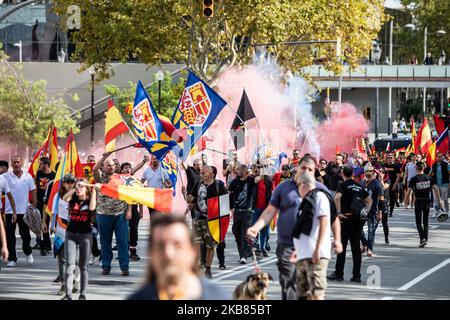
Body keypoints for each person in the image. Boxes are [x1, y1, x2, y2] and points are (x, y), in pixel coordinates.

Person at [247, 156, 342, 300]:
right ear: (297, 167)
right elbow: (270, 211)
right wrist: (256, 227)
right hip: (287, 244)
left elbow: (332, 218)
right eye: (304, 168)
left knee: (312, 290)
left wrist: (337, 239)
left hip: (312, 245)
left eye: (310, 169)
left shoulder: (320, 189)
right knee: (290, 283)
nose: (306, 171)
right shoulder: (283, 187)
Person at [128, 214, 229, 300]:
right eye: (160, 246)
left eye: (177, 245)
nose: (169, 253)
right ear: (151, 253)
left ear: (193, 252)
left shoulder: (218, 297)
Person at [328, 166, 372, 282]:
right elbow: (369, 201)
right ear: (353, 174)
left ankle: (339, 273)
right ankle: (356, 275)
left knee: (342, 245)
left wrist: (338, 212)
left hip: (346, 218)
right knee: (356, 247)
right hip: (358, 219)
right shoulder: (358, 186)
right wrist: (365, 212)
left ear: (343, 174)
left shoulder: (343, 185)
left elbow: (337, 197)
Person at [292, 173, 331, 300]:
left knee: (316, 293)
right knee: (302, 294)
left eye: (298, 185)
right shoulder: (306, 201)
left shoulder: (319, 196)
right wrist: (296, 250)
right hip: (303, 255)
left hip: (314, 254)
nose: (297, 190)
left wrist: (318, 248)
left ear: (303, 184)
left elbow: (324, 221)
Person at [93, 152, 131, 276]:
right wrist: (104, 156)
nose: (111, 167)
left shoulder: (122, 178)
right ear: (103, 167)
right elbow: (94, 168)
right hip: (103, 214)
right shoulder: (100, 177)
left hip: (120, 214)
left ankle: (124, 267)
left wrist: (129, 210)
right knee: (105, 243)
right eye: (108, 165)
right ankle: (106, 266)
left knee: (123, 242)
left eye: (113, 165)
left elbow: (128, 195)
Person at [189, 166, 228, 278]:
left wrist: (222, 223)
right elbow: (191, 200)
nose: (201, 175)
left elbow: (225, 204)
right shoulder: (198, 184)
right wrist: (187, 195)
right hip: (197, 219)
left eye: (204, 173)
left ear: (211, 174)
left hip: (211, 220)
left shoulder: (218, 186)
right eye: (201, 173)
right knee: (196, 244)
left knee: (210, 246)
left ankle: (208, 268)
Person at [61, 178, 96, 300]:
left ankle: (82, 294)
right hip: (71, 234)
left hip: (85, 235)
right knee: (70, 264)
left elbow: (92, 208)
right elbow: (65, 198)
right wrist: (75, 187)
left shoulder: (89, 200)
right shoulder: (72, 199)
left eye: (82, 187)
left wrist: (94, 190)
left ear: (87, 188)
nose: (79, 189)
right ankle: (68, 294)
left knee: (83, 266)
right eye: (77, 187)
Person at [3, 156, 36, 267]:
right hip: (10, 212)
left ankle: (28, 252)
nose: (16, 164)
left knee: (25, 235)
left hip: (24, 211)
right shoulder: (5, 177)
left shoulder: (28, 176)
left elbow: (33, 190)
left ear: (21, 163)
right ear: (11, 164)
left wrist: (34, 206)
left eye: (18, 162)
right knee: (10, 236)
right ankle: (12, 259)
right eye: (14, 162)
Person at [405, 162, 443, 247]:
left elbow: (409, 191)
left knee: (418, 222)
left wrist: (405, 200)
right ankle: (425, 239)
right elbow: (436, 189)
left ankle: (422, 239)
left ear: (416, 168)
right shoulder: (429, 178)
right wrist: (439, 200)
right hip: (427, 201)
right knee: (425, 221)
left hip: (418, 201)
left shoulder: (413, 179)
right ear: (423, 168)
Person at [228, 164, 258, 265]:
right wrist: (231, 208)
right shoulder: (235, 182)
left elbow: (260, 178)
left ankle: (243, 256)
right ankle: (243, 253)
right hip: (237, 211)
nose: (237, 172)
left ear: (244, 171)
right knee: (237, 233)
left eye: (239, 170)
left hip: (247, 211)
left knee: (244, 234)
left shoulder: (251, 180)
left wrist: (262, 167)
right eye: (237, 170)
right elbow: (229, 193)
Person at [359, 165, 384, 257]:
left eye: (369, 171)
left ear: (372, 172)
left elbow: (381, 198)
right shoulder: (362, 182)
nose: (366, 173)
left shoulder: (376, 183)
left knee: (370, 230)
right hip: (362, 210)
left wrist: (379, 211)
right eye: (365, 171)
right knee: (358, 229)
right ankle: (364, 243)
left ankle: (370, 248)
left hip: (372, 210)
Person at [35, 156, 55, 255]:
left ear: (46, 165)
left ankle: (46, 245)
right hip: (39, 202)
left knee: (46, 222)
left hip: (48, 202)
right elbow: (36, 186)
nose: (40, 165)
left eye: (41, 163)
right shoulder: (39, 173)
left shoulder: (53, 175)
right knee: (40, 223)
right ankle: (44, 244)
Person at [141, 155, 172, 222]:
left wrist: (167, 185)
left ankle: (159, 230)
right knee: (152, 215)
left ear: (159, 160)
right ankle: (154, 230)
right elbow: (140, 183)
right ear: (151, 160)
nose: (155, 160)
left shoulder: (162, 171)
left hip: (160, 197)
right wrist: (143, 186)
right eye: (154, 159)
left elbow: (170, 184)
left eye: (156, 159)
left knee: (158, 215)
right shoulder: (147, 171)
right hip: (150, 197)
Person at [251, 164, 273, 258]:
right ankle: (258, 248)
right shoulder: (253, 179)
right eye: (257, 167)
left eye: (260, 168)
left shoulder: (268, 180)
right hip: (255, 208)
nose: (258, 169)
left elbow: (271, 194)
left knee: (266, 232)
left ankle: (263, 247)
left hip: (266, 209)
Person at [429, 152, 450, 216]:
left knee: (445, 199)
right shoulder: (434, 165)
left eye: (441, 156)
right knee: (436, 199)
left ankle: (447, 211)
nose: (440, 158)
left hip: (445, 184)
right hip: (435, 185)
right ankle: (436, 212)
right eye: (439, 156)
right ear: (436, 157)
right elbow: (430, 174)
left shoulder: (446, 164)